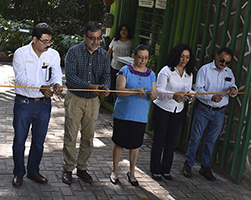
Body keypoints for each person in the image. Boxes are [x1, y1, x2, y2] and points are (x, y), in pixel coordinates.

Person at [12, 23, 63, 187]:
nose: (48, 45)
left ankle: (33, 171)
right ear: (34, 39)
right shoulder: (20, 53)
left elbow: (56, 74)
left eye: (49, 41)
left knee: (39, 141)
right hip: (24, 102)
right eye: (44, 41)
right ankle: (18, 172)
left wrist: (57, 85)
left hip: (44, 104)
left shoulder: (53, 54)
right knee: (20, 140)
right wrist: (39, 88)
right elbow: (20, 79)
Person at [62, 21, 111, 185]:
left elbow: (106, 76)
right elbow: (70, 77)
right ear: (85, 37)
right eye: (92, 38)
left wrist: (105, 87)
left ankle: (82, 168)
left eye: (98, 39)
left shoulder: (104, 55)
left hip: (93, 101)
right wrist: (89, 86)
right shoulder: (74, 52)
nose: (95, 42)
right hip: (75, 98)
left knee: (88, 137)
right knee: (71, 135)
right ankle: (68, 169)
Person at [182, 47, 238, 181]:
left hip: (219, 112)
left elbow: (233, 85)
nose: (224, 64)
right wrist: (211, 97)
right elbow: (199, 90)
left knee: (211, 141)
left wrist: (233, 89)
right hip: (204, 109)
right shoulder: (205, 69)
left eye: (227, 62)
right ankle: (188, 164)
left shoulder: (228, 72)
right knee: (195, 138)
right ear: (216, 56)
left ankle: (205, 167)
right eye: (222, 60)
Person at [110, 44, 157, 187]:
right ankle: (115, 171)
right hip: (123, 114)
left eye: (145, 58)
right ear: (134, 56)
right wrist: (135, 90)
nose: (143, 60)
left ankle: (131, 173)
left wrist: (153, 95)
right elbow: (119, 91)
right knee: (119, 143)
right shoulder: (125, 70)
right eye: (140, 57)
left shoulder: (151, 74)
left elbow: (153, 96)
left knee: (135, 146)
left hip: (140, 115)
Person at [150, 44, 195, 181]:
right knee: (159, 140)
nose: (184, 59)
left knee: (171, 141)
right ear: (176, 55)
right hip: (163, 109)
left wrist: (191, 96)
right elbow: (159, 90)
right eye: (182, 56)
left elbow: (188, 90)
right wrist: (172, 95)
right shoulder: (166, 71)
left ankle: (166, 170)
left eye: (187, 57)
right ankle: (155, 169)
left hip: (178, 110)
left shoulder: (189, 73)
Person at [108, 24, 133, 101]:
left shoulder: (131, 42)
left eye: (125, 30)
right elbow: (109, 52)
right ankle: (115, 100)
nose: (123, 32)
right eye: (122, 30)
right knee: (114, 85)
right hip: (115, 65)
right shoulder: (115, 41)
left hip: (125, 68)